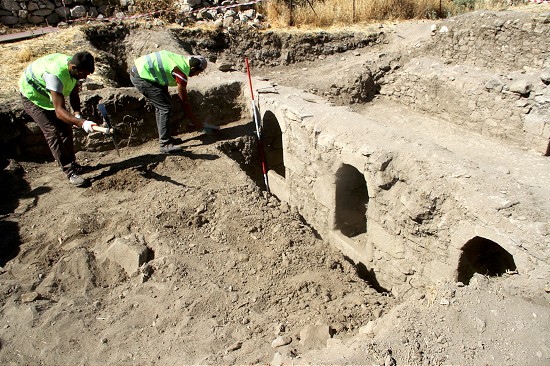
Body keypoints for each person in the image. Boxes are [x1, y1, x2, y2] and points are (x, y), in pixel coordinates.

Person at [19, 51, 98, 187]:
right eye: (83, 74)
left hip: (48, 93)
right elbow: (60, 112)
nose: (84, 77)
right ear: (73, 67)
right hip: (33, 96)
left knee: (66, 128)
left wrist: (77, 113)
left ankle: (73, 165)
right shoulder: (55, 76)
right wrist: (82, 123)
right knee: (52, 132)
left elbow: (73, 92)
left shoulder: (73, 70)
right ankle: (69, 172)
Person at [130, 51, 207, 154]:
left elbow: (163, 71)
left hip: (145, 72)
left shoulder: (181, 60)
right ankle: (164, 144)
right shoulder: (181, 73)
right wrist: (194, 120)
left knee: (162, 105)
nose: (198, 75)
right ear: (193, 69)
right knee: (165, 108)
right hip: (142, 76)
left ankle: (166, 138)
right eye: (199, 72)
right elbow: (183, 100)